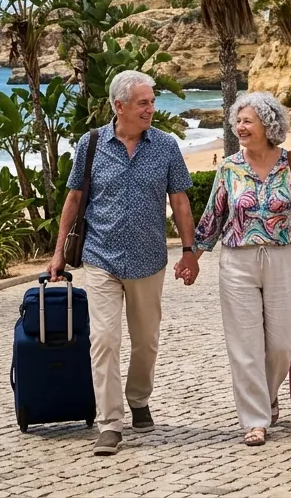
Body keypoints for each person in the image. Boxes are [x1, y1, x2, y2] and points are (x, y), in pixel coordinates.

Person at [48, 70, 196, 457]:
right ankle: (110, 423)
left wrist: (189, 250)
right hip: (101, 257)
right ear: (120, 106)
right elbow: (74, 199)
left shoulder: (165, 146)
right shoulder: (91, 143)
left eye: (152, 101)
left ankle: (139, 397)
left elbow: (180, 202)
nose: (151, 108)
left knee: (146, 341)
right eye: (143, 102)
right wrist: (59, 251)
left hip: (149, 260)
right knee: (104, 340)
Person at [193, 92, 291, 447]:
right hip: (237, 260)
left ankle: (268, 393)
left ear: (267, 125)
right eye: (237, 121)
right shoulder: (229, 167)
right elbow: (214, 215)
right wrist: (192, 257)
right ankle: (255, 419)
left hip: (282, 257)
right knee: (244, 344)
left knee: (280, 341)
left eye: (247, 121)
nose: (240, 128)